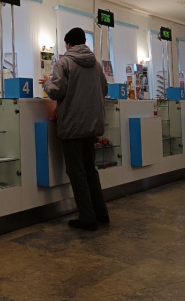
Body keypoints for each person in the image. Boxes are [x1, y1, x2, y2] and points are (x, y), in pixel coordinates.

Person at [39, 27, 109, 231]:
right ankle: (101, 213)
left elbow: (56, 91)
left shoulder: (64, 63)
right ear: (84, 42)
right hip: (92, 125)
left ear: (68, 44)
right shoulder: (96, 65)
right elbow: (104, 89)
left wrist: (47, 83)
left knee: (76, 172)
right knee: (90, 170)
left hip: (72, 125)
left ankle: (87, 218)